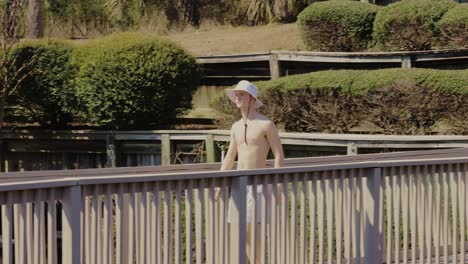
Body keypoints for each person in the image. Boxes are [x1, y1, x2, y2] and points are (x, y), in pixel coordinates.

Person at [216, 80, 284, 264]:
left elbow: (278, 156)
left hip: (258, 184)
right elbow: (230, 157)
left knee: (254, 230)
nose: (237, 97)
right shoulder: (235, 126)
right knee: (240, 230)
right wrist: (220, 185)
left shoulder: (266, 124)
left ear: (252, 98)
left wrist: (278, 187)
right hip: (238, 184)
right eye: (236, 94)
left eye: (242, 94)